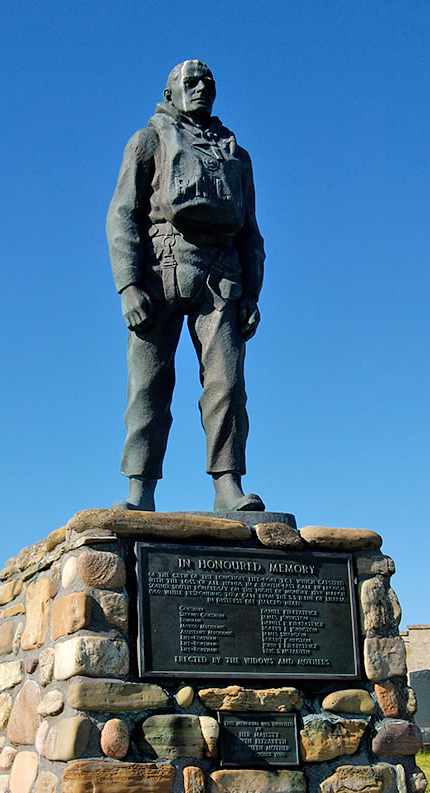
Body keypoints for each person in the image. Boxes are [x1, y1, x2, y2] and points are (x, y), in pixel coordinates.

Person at [107, 60, 266, 512]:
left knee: (227, 385)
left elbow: (250, 232)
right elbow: (122, 215)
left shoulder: (236, 156)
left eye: (207, 82)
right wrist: (128, 284)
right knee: (148, 386)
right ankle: (140, 489)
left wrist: (252, 291)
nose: (200, 88)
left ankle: (227, 485)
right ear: (170, 91)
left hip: (221, 279)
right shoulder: (148, 141)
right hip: (159, 273)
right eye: (190, 82)